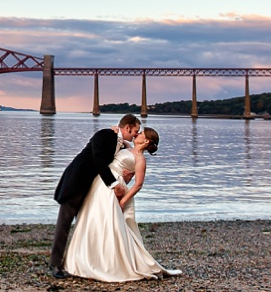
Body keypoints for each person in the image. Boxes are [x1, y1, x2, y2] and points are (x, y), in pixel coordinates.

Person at [63, 126, 182, 282]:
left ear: (146, 140)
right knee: (93, 217)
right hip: (102, 181)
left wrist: (124, 199)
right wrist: (115, 129)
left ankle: (110, 262)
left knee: (111, 224)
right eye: (137, 131)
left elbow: (138, 184)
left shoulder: (140, 159)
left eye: (140, 133)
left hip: (115, 188)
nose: (137, 134)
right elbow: (117, 140)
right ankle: (87, 257)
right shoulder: (127, 146)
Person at [49, 114, 141, 278]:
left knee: (85, 225)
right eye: (135, 131)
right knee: (64, 224)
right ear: (127, 127)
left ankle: (79, 262)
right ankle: (55, 265)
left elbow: (120, 156)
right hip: (75, 183)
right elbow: (99, 161)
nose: (136, 134)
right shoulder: (104, 135)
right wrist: (114, 185)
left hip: (91, 189)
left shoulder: (117, 141)